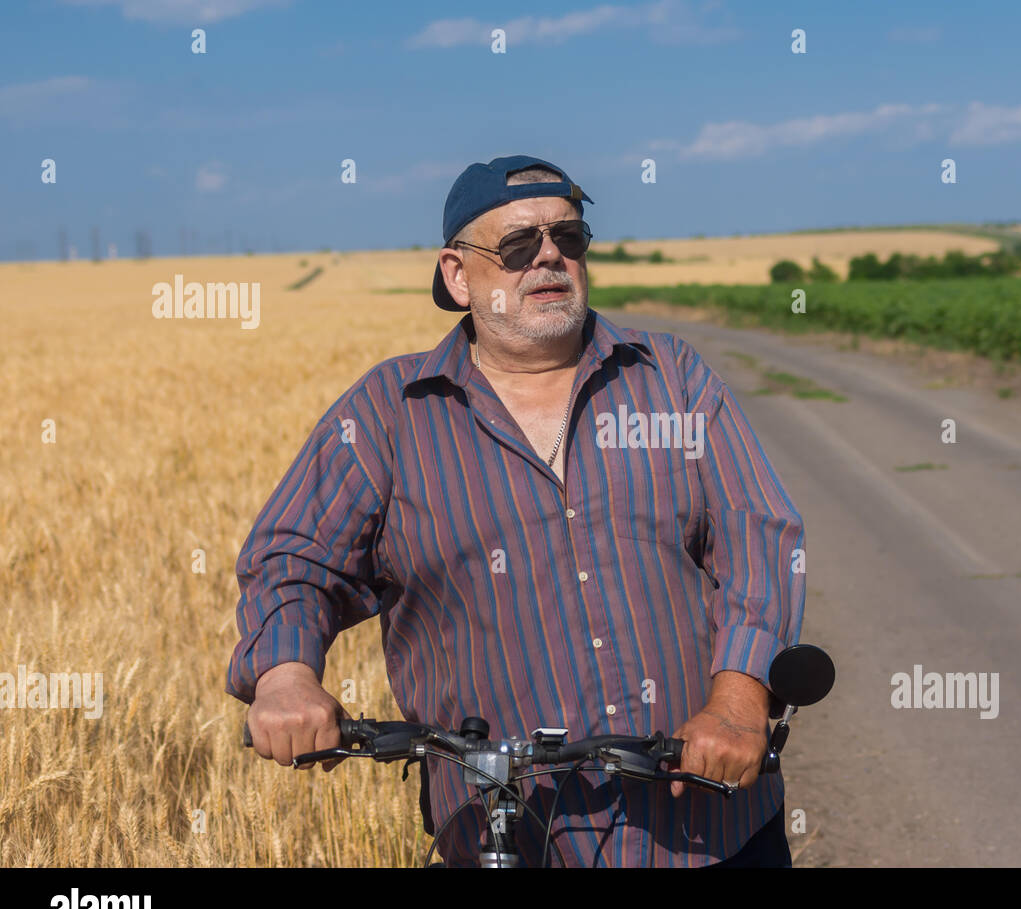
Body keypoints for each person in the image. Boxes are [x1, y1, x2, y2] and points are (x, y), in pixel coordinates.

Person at [226, 154, 806, 866]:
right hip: (509, 836)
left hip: (708, 830)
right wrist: (287, 678)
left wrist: (740, 702)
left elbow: (761, 539)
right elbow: (293, 560)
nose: (551, 257)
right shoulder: (388, 414)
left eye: (569, 237)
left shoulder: (672, 378)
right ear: (457, 275)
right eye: (519, 245)